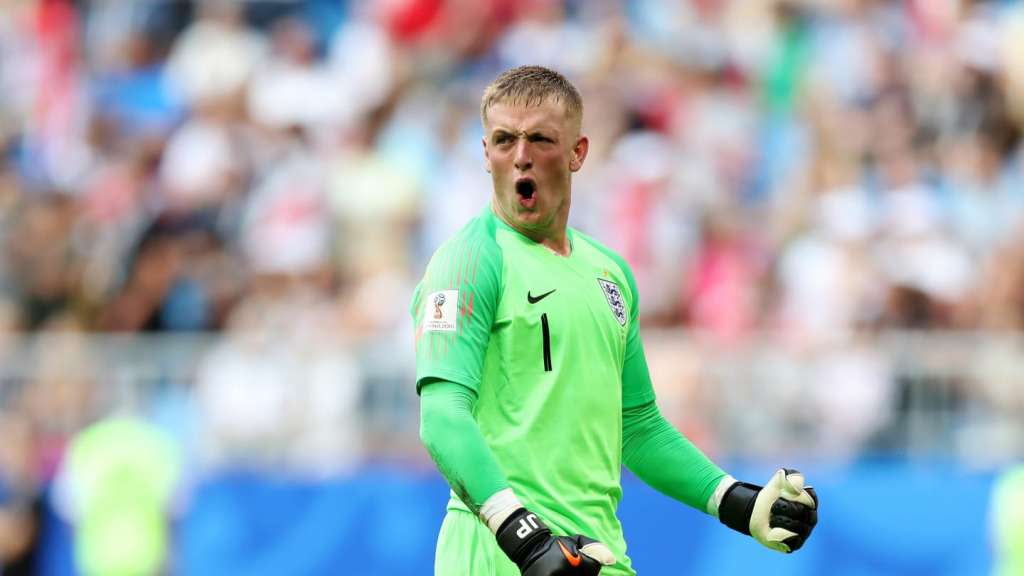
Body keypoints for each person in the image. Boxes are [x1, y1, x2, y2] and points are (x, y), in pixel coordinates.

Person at [412, 65, 818, 576]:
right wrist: (524, 538)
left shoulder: (609, 273)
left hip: (595, 557)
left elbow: (638, 425)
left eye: (540, 139)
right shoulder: (469, 261)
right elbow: (442, 416)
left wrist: (737, 500)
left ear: (578, 153)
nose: (520, 156)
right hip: (501, 557)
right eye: (504, 140)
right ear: (485, 151)